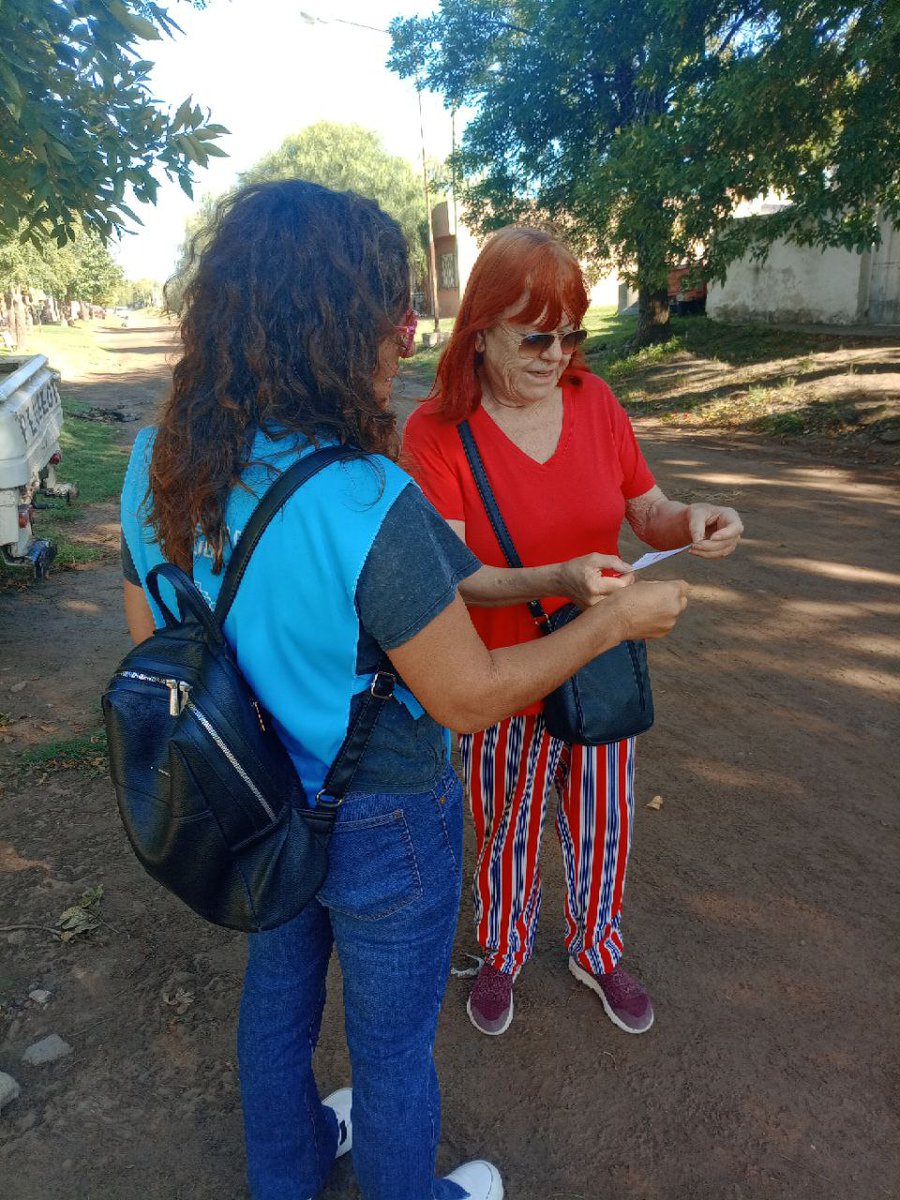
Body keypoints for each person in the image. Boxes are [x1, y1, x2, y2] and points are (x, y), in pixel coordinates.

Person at [119, 183, 688, 1200]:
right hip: (383, 818)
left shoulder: (156, 464)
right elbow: (470, 695)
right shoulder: (362, 493)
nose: (410, 328)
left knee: (277, 1004)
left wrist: (559, 582)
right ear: (331, 324)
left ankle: (286, 1177)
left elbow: (156, 642)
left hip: (250, 801)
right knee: (390, 1055)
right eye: (389, 305)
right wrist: (611, 621)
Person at [402, 226, 743, 1040]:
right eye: (537, 335)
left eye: (572, 334)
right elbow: (452, 576)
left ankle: (597, 946)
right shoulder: (434, 432)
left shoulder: (596, 403)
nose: (558, 354)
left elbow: (646, 509)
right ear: (480, 331)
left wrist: (691, 518)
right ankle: (503, 949)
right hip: (503, 672)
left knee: (604, 818)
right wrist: (558, 579)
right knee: (504, 822)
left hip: (600, 665)